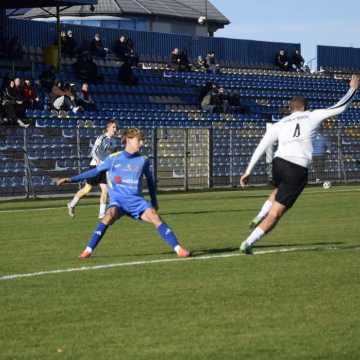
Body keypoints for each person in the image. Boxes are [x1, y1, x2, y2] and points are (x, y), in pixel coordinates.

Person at [239, 74, 359, 254]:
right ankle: (248, 242)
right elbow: (340, 107)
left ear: (290, 109)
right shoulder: (312, 115)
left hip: (278, 164)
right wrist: (353, 89)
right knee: (276, 213)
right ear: (305, 107)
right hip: (297, 167)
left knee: (279, 190)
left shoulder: (280, 123)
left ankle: (259, 214)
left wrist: (248, 170)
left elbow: (262, 145)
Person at [57, 128, 191, 259]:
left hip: (137, 203)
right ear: (129, 140)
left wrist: (154, 202)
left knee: (155, 217)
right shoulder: (113, 158)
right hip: (118, 202)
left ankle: (179, 249)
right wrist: (70, 179)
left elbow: (150, 181)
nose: (142, 143)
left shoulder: (143, 160)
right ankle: (87, 251)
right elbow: (94, 172)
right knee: (108, 216)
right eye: (139, 140)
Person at [67, 119, 120, 219]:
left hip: (105, 168)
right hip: (95, 166)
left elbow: (113, 155)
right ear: (108, 127)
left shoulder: (114, 141)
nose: (115, 129)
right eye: (113, 127)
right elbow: (93, 151)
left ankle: (101, 214)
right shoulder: (101, 137)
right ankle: (71, 204)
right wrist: (98, 159)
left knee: (105, 190)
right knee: (87, 189)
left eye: (116, 127)